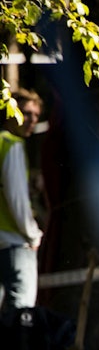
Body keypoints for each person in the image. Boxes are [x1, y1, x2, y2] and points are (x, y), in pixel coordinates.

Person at [0, 88, 44, 314]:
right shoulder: (12, 145)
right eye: (26, 113)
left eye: (36, 115)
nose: (32, 120)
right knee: (22, 317)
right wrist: (33, 234)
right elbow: (16, 200)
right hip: (15, 245)